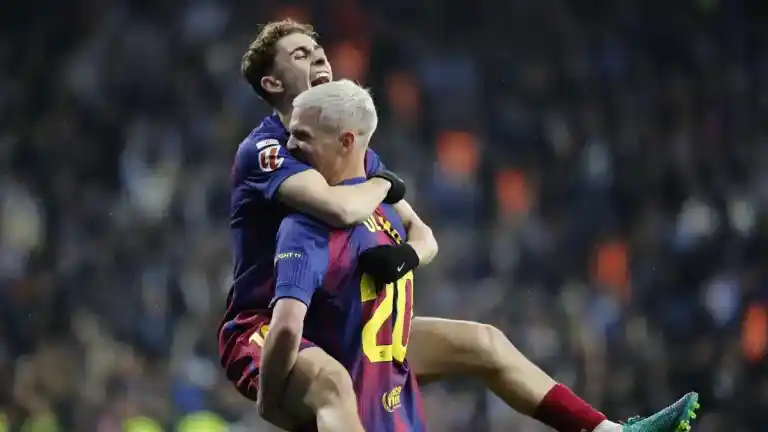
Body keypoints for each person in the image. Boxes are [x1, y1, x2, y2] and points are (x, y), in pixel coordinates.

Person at [218, 19, 700, 432]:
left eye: (318, 50)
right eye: (301, 55)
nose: (319, 59)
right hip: (267, 324)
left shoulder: (349, 148)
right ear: (273, 85)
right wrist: (384, 184)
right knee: (332, 385)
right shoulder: (269, 150)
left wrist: (406, 255)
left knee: (482, 342)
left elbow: (422, 234)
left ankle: (607, 430)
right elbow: (339, 208)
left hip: (340, 316)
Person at [260, 79, 426, 432]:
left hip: (349, 416)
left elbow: (287, 327)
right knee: (484, 344)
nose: (290, 146)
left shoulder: (306, 225)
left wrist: (268, 399)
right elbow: (425, 237)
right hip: (398, 416)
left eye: (303, 136)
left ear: (346, 141)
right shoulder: (389, 214)